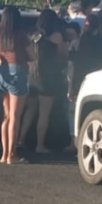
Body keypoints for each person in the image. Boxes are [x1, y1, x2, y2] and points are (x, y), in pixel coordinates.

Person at [19, 9, 66, 154]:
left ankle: (20, 139)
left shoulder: (32, 35)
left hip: (32, 76)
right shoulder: (56, 37)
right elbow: (63, 56)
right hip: (48, 77)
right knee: (44, 113)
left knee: (30, 108)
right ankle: (40, 145)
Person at [0, 6, 36, 164]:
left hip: (2, 74)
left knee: (7, 116)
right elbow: (32, 56)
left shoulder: (0, 36)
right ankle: (12, 154)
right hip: (17, 73)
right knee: (15, 117)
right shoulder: (21, 35)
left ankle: (4, 155)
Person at [67, 14, 102, 152]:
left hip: (79, 81)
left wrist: (70, 86)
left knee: (74, 113)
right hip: (97, 81)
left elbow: (70, 67)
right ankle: (92, 139)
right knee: (95, 111)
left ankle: (73, 142)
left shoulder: (76, 42)